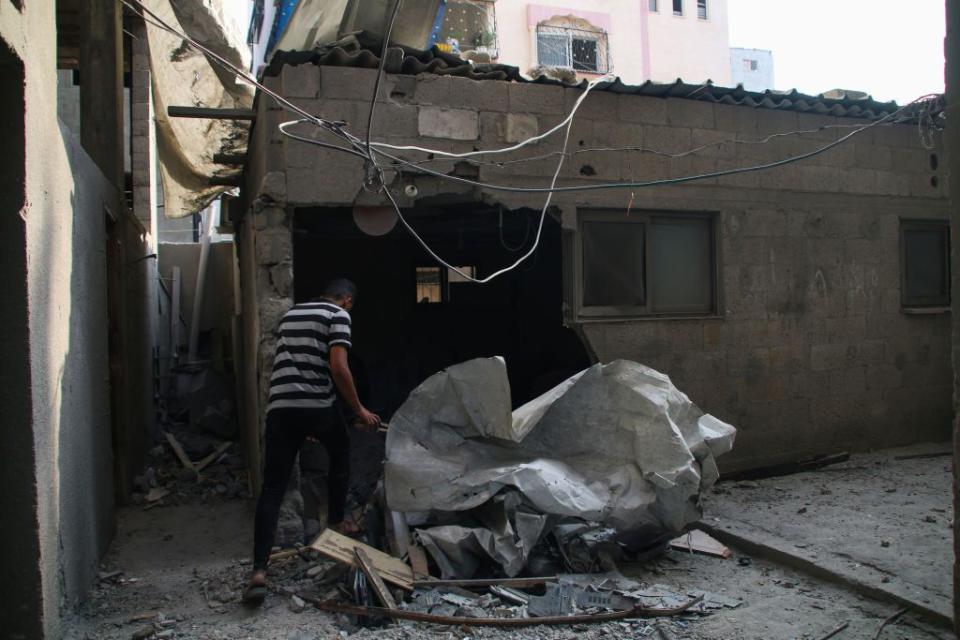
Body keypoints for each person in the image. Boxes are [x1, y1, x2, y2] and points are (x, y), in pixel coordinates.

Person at [244, 278, 381, 604]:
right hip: (317, 406)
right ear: (346, 299)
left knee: (272, 489)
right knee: (342, 452)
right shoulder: (338, 316)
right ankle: (335, 524)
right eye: (350, 304)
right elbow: (338, 366)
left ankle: (259, 572)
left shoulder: (290, 314)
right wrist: (360, 409)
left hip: (281, 409)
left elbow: (290, 364)